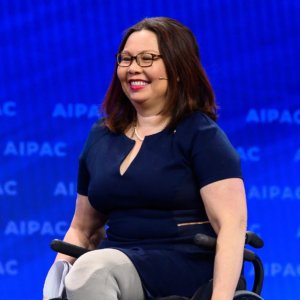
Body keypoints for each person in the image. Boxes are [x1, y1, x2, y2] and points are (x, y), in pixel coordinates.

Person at [43, 17, 247, 300]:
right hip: (118, 260)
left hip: (184, 264)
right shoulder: (101, 136)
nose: (133, 68)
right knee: (88, 270)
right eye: (125, 59)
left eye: (147, 58)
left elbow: (231, 226)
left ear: (177, 69)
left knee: (93, 269)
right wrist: (55, 286)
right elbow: (82, 229)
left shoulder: (200, 135)